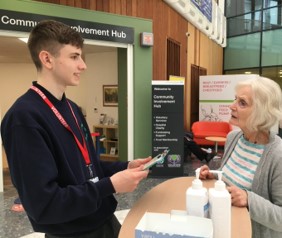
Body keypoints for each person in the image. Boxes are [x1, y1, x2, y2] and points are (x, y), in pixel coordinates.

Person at [1, 20, 151, 238]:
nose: (83, 65)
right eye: (74, 56)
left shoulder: (71, 108)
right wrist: (110, 185)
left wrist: (125, 166)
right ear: (47, 59)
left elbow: (87, 167)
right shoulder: (23, 118)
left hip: (104, 221)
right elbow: (44, 204)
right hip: (72, 233)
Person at [199, 76, 282, 238]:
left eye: (242, 103)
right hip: (223, 228)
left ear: (262, 112)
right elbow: (231, 180)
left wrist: (249, 199)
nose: (231, 106)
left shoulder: (278, 155)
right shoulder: (233, 138)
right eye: (235, 99)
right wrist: (214, 176)